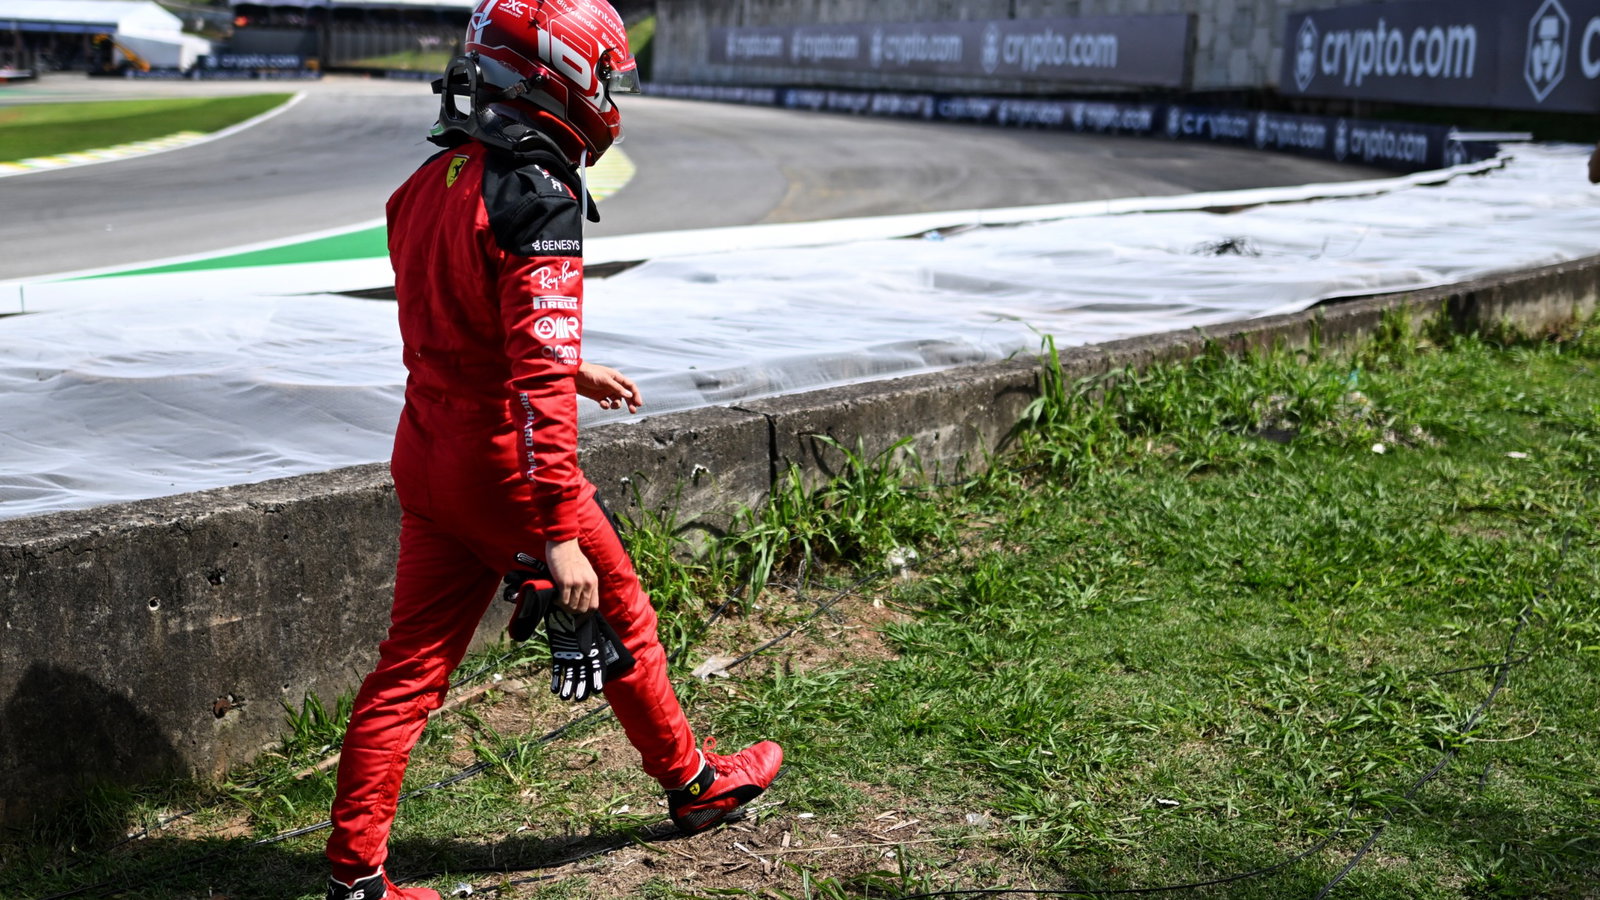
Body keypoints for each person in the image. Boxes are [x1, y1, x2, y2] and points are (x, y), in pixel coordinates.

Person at [323, 3, 782, 897]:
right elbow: (527, 381)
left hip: (424, 450)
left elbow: (463, 330)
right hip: (505, 465)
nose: (608, 95)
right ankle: (694, 787)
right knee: (626, 617)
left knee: (407, 672)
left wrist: (571, 367)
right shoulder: (540, 193)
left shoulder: (424, 183)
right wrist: (557, 530)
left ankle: (355, 878)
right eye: (602, 76)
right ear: (558, 76)